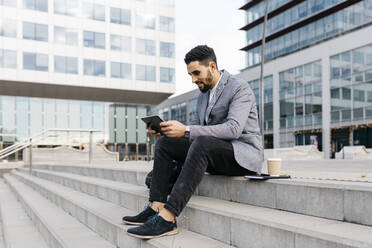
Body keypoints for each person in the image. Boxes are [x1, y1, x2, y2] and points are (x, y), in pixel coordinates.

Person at [123, 45, 263, 239]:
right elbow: (195, 130)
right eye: (190, 75)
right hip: (213, 153)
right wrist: (169, 132)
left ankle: (168, 218)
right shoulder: (203, 96)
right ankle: (156, 206)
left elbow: (234, 128)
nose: (193, 79)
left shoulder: (239, 88)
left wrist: (186, 130)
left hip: (242, 155)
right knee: (165, 143)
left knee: (202, 142)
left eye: (196, 73)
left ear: (212, 66)